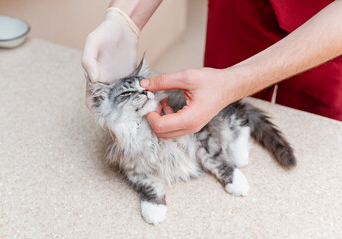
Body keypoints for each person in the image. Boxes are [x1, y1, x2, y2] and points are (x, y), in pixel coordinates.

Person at [82, 0, 342, 139]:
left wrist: (235, 82)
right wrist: (126, 18)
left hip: (331, 31)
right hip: (241, 8)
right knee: (222, 127)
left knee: (309, 139)